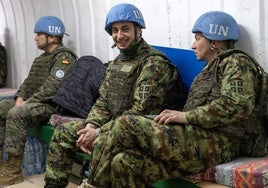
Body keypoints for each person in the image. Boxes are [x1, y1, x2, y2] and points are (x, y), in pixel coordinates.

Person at [78, 11, 268, 188]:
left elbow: (237, 105)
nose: (193, 45)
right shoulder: (208, 71)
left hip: (222, 142)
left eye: (198, 38)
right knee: (124, 162)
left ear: (215, 42)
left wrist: (186, 117)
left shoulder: (237, 62)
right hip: (199, 139)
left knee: (126, 124)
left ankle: (92, 185)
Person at [44, 3, 185, 188]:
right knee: (64, 132)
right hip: (111, 123)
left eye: (125, 29)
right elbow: (103, 101)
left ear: (139, 30)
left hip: (140, 130)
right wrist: (90, 126)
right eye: (115, 30)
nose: (119, 36)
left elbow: (139, 112)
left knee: (102, 142)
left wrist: (97, 133)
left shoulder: (154, 64)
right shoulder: (117, 62)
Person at [0, 16, 77, 187]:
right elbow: (27, 84)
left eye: (39, 34)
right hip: (33, 103)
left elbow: (52, 87)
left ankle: (13, 171)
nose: (35, 38)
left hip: (50, 106)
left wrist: (26, 103)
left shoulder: (64, 58)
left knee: (16, 112)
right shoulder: (40, 59)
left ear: (52, 36)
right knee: (1, 108)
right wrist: (20, 97)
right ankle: (2, 164)